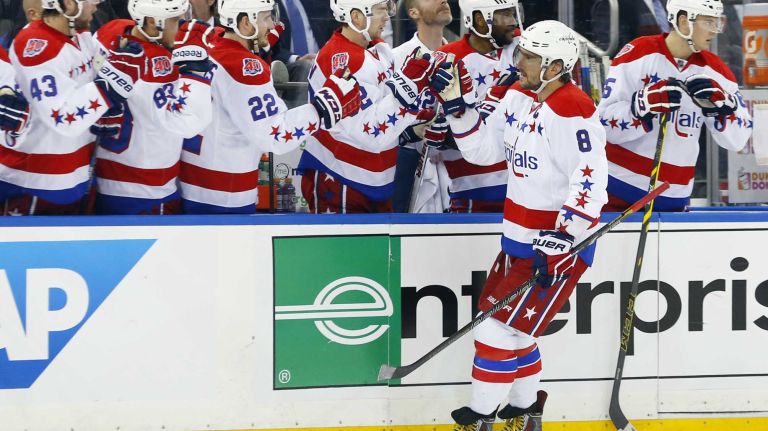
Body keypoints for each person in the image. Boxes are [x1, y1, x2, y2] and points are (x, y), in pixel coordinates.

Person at [436, 20, 607, 431]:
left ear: (555, 66)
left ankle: (482, 414)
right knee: (516, 333)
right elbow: (482, 151)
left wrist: (565, 236)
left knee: (495, 331)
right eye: (522, 53)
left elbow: (590, 179)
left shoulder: (573, 108)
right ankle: (526, 411)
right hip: (518, 239)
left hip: (556, 247)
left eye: (530, 56)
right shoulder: (517, 96)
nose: (520, 61)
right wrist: (459, 108)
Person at [178, 0, 361, 214]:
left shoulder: (211, 46)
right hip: (225, 199)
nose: (272, 26)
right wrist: (321, 109)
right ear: (245, 22)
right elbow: (275, 135)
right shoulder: (245, 68)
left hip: (193, 187)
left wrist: (256, 48)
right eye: (265, 17)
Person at [597, 0, 751, 212]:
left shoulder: (717, 71)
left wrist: (724, 109)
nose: (715, 31)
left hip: (674, 196)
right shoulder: (638, 53)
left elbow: (739, 139)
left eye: (718, 23)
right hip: (617, 187)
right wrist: (642, 106)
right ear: (683, 21)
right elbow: (603, 125)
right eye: (708, 22)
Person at [296, 0, 442, 213]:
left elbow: (383, 110)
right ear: (356, 16)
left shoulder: (377, 50)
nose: (387, 17)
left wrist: (414, 123)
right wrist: (408, 90)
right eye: (381, 10)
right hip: (340, 178)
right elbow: (370, 132)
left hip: (376, 177)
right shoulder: (341, 61)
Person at [4, 0, 135, 215]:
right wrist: (108, 90)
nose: (97, 3)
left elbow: (103, 73)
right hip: (38, 182)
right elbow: (64, 119)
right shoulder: (37, 47)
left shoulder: (80, 36)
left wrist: (123, 63)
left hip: (76, 174)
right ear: (67, 4)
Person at [91, 0, 213, 214]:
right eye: (175, 21)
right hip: (147, 191)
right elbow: (190, 122)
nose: (182, 28)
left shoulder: (109, 32)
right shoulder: (162, 64)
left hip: (105, 181)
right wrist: (195, 75)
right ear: (151, 22)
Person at [431, 0, 521, 213]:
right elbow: (438, 135)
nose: (513, 22)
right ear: (481, 20)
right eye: (505, 15)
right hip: (472, 193)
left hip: (525, 189)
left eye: (513, 13)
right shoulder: (446, 61)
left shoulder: (525, 49)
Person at [391, 0, 451, 212]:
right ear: (413, 12)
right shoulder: (395, 58)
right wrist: (409, 132)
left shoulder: (463, 56)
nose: (443, 1)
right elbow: (376, 123)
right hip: (407, 167)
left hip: (455, 164)